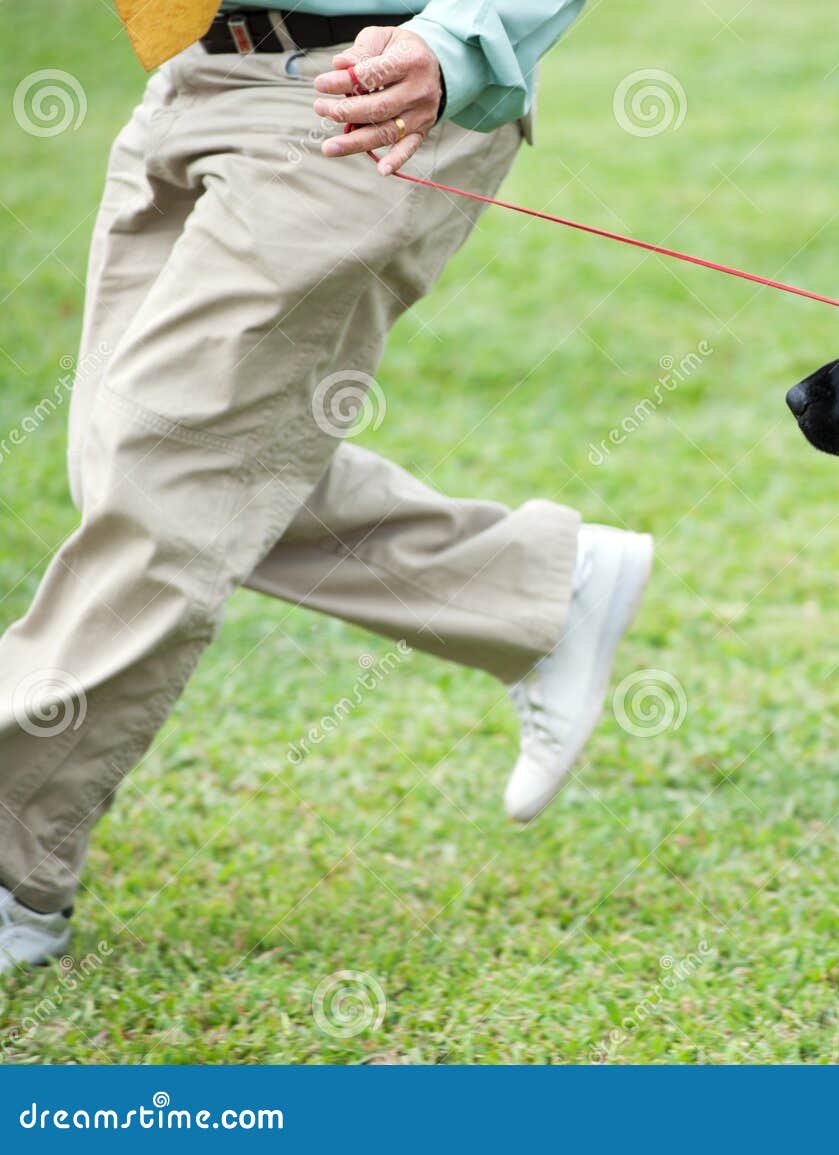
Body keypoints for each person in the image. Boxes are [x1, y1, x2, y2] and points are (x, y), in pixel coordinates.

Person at [0, 1, 652, 970]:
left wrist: (459, 39)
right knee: (136, 463)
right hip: (195, 69)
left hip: (368, 84)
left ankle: (13, 868)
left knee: (171, 469)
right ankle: (532, 587)